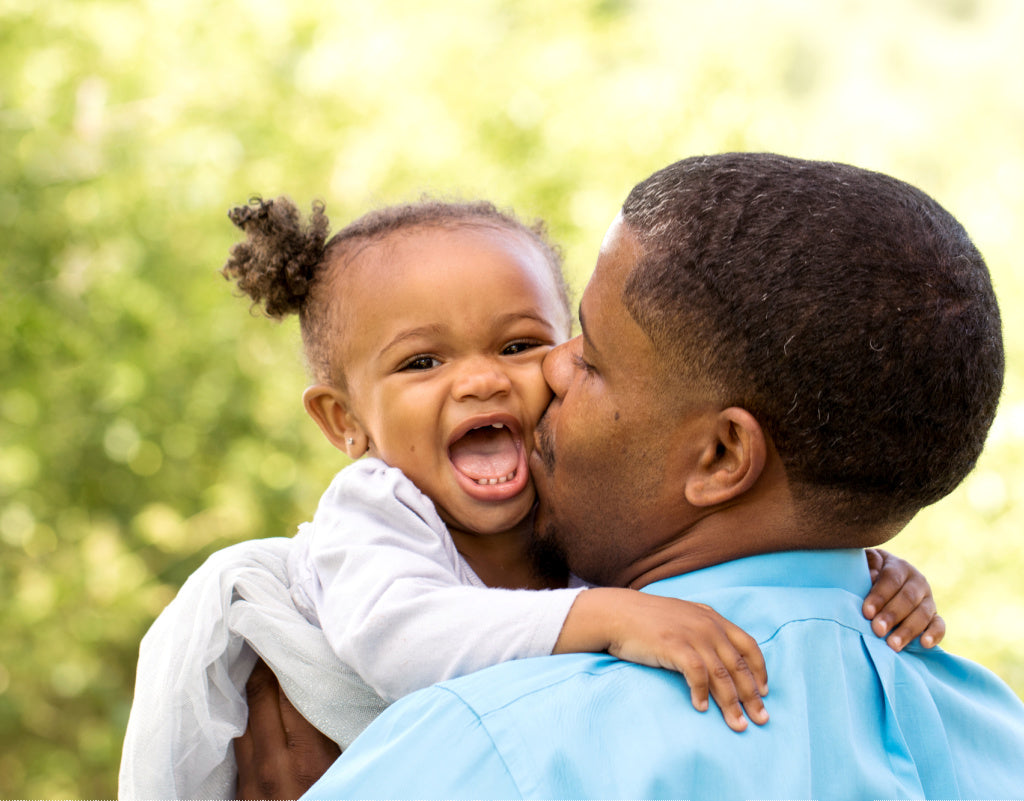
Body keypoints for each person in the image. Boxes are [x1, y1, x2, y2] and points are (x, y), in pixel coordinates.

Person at [120, 194, 942, 800]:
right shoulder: (373, 511)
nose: (482, 379)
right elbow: (401, 636)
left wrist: (865, 568)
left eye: (521, 344)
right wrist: (609, 618)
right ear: (345, 421)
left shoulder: (566, 495)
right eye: (421, 363)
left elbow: (744, 535)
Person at [274, 153, 1024, 800]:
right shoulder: (996, 733)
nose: (548, 372)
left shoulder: (489, 750)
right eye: (424, 361)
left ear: (723, 456)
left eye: (587, 356)